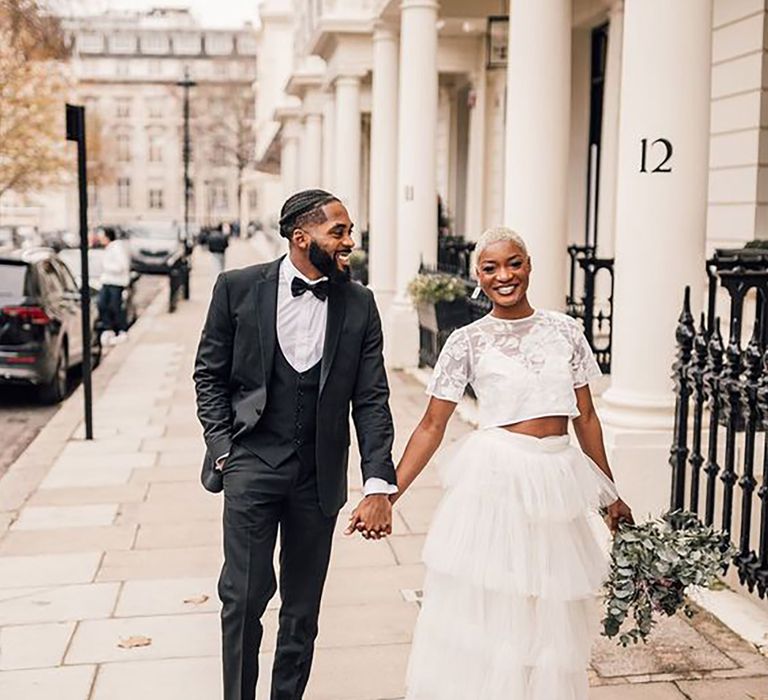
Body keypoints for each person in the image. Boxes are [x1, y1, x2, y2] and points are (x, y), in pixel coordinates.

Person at [349, 226, 634, 699]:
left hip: (558, 479)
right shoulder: (467, 342)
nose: (504, 275)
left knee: (549, 610)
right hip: (499, 480)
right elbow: (431, 427)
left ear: (529, 265)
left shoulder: (566, 330)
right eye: (491, 267)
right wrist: (386, 493)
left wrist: (609, 494)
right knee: (497, 608)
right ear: (476, 276)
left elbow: (585, 417)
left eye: (514, 263)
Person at [193, 189, 397, 700]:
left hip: (317, 476)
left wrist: (378, 482)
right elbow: (209, 375)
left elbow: (371, 398)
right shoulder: (237, 288)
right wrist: (224, 450)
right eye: (340, 232)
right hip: (250, 465)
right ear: (302, 238)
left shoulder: (359, 303)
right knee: (242, 598)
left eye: (350, 231)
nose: (350, 241)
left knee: (303, 611)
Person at [98, 227, 130, 345]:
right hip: (107, 281)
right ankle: (109, 329)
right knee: (102, 305)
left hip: (116, 283)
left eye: (102, 236)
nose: (100, 239)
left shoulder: (117, 248)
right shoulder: (109, 248)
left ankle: (120, 331)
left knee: (114, 307)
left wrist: (107, 267)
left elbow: (122, 266)